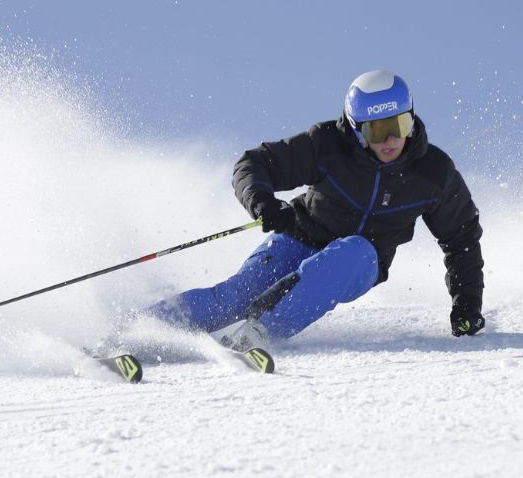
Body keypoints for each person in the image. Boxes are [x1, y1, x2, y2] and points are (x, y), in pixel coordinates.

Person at [143, 70, 485, 351]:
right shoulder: (328, 145)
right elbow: (254, 164)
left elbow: (461, 237)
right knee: (235, 295)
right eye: (377, 130)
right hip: (301, 237)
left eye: (399, 126)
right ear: (356, 129)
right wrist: (262, 202)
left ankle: (256, 334)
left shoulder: (433, 172)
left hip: (361, 260)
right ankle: (137, 331)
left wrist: (467, 303)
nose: (390, 140)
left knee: (348, 253)